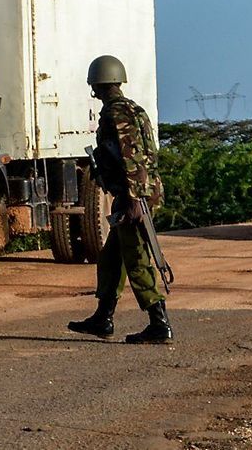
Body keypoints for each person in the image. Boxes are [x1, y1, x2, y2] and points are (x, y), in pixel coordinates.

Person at [68, 55, 172, 344]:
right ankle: (103, 317)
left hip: (133, 198)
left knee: (136, 258)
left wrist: (132, 198)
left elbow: (132, 157)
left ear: (96, 86)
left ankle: (159, 322)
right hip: (138, 194)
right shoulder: (134, 110)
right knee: (111, 258)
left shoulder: (117, 114)